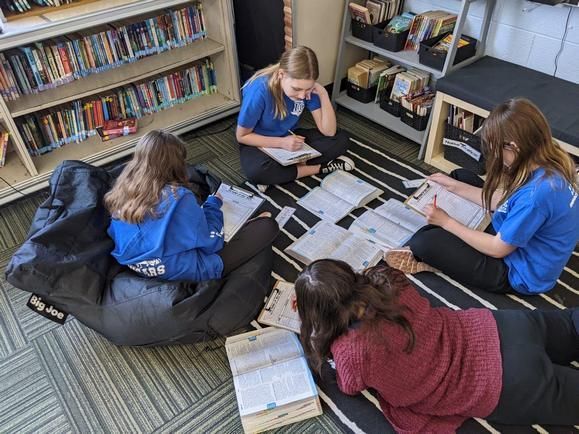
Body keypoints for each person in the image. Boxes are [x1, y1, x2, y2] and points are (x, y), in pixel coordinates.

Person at [294, 259, 579, 432]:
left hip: (503, 383)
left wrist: (318, 333)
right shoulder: (389, 279)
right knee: (571, 324)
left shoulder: (351, 352)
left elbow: (349, 385)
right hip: (501, 327)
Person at [386, 98, 579, 294]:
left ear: (513, 147)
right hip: (515, 236)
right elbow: (507, 201)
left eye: (495, 147)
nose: (494, 154)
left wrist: (447, 223)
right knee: (460, 176)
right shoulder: (548, 161)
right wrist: (455, 186)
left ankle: (438, 255)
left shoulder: (536, 196)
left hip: (516, 272)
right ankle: (450, 235)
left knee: (424, 242)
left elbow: (498, 249)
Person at [104, 130, 279, 282]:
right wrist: (212, 205)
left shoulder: (122, 188)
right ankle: (247, 225)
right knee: (268, 226)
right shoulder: (178, 197)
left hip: (140, 267)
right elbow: (212, 243)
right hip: (183, 270)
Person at [236, 46, 354, 190]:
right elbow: (242, 136)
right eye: (297, 89)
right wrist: (281, 143)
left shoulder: (306, 89)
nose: (303, 96)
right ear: (281, 74)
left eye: (308, 89)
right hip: (259, 142)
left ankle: (281, 173)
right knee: (257, 172)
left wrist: (323, 94)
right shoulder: (259, 91)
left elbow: (329, 132)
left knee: (341, 140)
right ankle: (319, 168)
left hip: (291, 137)